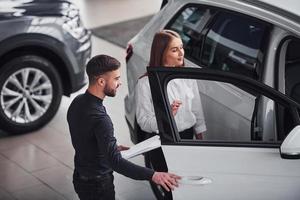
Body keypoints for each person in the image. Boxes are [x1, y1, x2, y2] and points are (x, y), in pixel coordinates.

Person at [67, 54, 180, 200]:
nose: (119, 83)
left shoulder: (77, 101)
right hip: (98, 185)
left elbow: (82, 136)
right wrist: (153, 175)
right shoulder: (101, 119)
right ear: (101, 81)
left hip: (80, 177)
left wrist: (106, 147)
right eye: (116, 79)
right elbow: (116, 163)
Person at [136, 29, 207, 140]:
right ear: (162, 53)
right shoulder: (145, 84)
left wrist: (200, 136)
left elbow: (197, 109)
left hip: (187, 137)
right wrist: (167, 117)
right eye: (174, 50)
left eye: (181, 47)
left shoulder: (188, 77)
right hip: (161, 140)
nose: (181, 53)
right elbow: (144, 122)